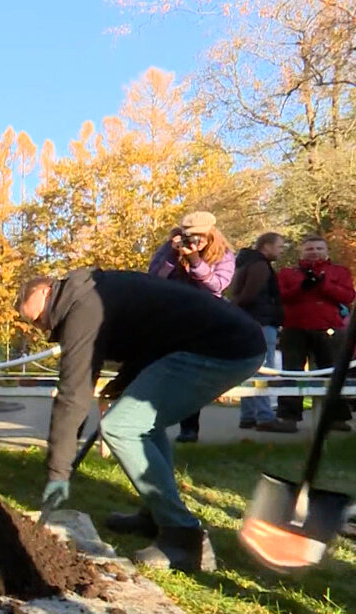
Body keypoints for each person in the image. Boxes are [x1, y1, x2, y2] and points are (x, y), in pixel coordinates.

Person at [17, 269, 266, 572]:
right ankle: (156, 512)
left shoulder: (80, 309)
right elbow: (148, 329)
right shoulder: (90, 291)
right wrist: (126, 379)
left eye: (39, 318)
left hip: (223, 347)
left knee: (122, 427)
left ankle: (185, 539)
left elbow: (74, 394)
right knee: (143, 422)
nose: (43, 328)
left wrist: (58, 471)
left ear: (46, 292)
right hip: (218, 341)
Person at [146, 211, 236, 443]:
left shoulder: (224, 255)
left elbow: (216, 286)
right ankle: (150, 424)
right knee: (160, 370)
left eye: (200, 236)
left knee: (191, 375)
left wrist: (196, 261)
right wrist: (172, 254)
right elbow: (154, 279)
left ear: (211, 234)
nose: (194, 241)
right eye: (189, 236)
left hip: (203, 317)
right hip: (169, 316)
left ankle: (189, 427)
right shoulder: (170, 250)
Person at [274, 234, 356, 431]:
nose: (315, 252)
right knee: (291, 372)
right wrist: (301, 287)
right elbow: (279, 297)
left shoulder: (339, 271)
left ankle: (337, 417)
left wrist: (324, 284)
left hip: (328, 327)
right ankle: (288, 417)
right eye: (310, 249)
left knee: (332, 371)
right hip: (295, 327)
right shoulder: (288, 273)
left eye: (319, 248)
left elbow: (348, 296)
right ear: (302, 251)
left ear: (326, 251)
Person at [230, 232, 296, 432]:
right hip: (260, 322)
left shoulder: (246, 264)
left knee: (249, 369)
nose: (281, 250)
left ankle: (248, 415)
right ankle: (265, 416)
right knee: (263, 370)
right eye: (279, 246)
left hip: (249, 321)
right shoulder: (260, 266)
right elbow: (249, 295)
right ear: (266, 246)